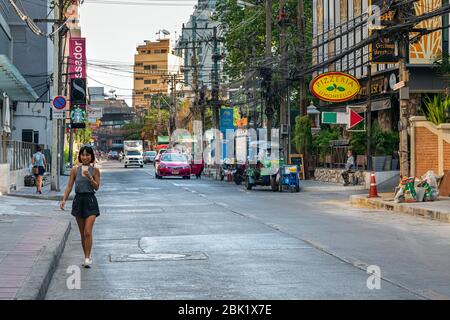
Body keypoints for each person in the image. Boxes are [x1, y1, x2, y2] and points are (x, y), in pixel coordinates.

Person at [60, 145, 101, 268]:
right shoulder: (74, 170)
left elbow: (97, 187)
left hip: (90, 201)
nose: (85, 157)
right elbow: (69, 186)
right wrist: (63, 200)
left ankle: (88, 258)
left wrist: (90, 177)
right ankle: (86, 256)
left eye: (88, 155)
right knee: (83, 233)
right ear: (80, 156)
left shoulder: (95, 170)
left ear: (91, 156)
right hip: (78, 201)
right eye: (83, 155)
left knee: (88, 231)